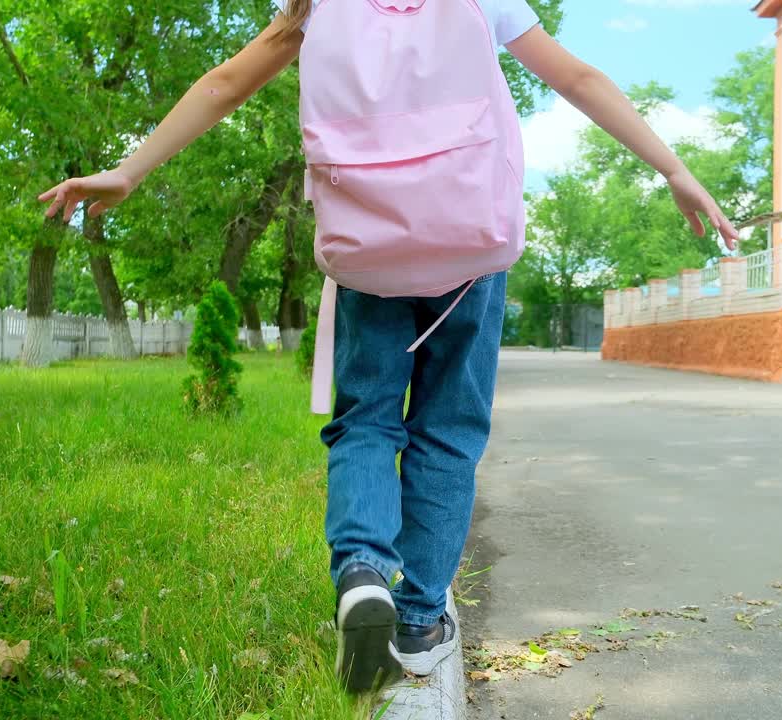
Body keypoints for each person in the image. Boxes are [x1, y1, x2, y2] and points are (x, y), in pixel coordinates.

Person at [39, 0, 741, 695]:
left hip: (369, 249)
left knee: (367, 419)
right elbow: (578, 80)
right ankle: (416, 622)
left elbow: (226, 82)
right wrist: (673, 168)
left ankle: (362, 571)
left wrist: (130, 171)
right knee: (448, 431)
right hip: (470, 250)